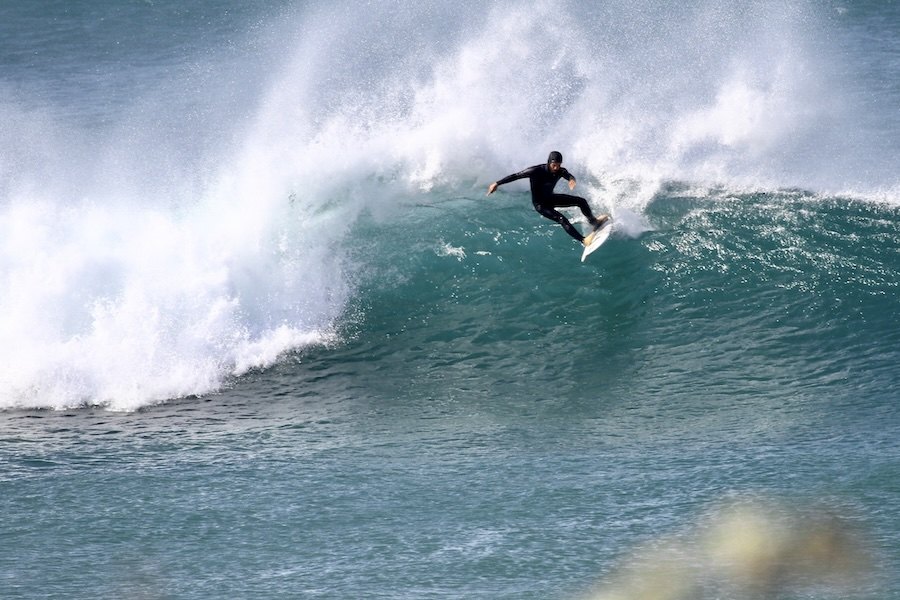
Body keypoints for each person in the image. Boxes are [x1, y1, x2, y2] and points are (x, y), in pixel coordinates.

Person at [487, 151, 609, 246]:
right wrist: (497, 183)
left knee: (581, 201)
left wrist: (572, 180)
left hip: (551, 198)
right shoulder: (535, 170)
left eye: (558, 165)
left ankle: (594, 222)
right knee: (561, 219)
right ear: (549, 162)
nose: (556, 168)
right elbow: (516, 176)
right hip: (541, 205)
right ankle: (583, 240)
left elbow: (568, 175)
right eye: (554, 165)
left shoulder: (560, 171)